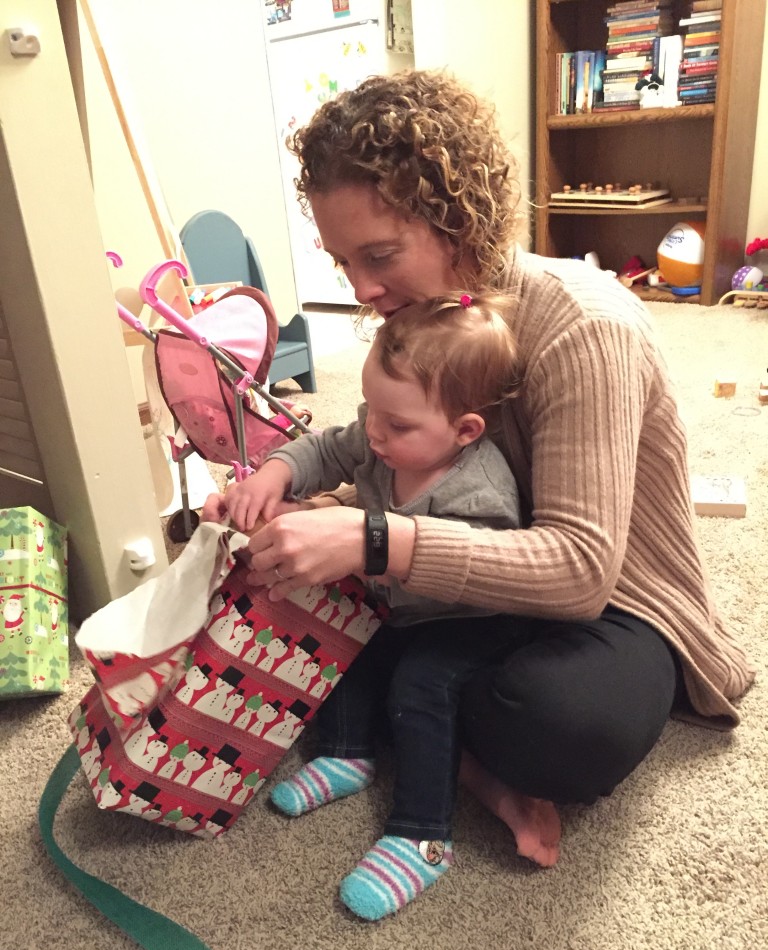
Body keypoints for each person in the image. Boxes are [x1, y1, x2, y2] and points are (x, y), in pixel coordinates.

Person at [203, 68, 752, 886]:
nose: (361, 290)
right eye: (342, 259)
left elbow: (578, 570)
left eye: (380, 255)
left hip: (610, 600)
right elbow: (380, 451)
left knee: (562, 727)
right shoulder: (415, 325)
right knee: (306, 596)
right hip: (471, 591)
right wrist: (290, 489)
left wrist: (371, 537)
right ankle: (437, 728)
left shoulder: (582, 326)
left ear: (459, 220)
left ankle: (446, 743)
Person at [221, 291, 525, 920]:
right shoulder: (381, 437)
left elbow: (478, 574)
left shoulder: (479, 489)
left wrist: (366, 554)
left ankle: (423, 835)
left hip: (471, 621)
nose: (376, 434)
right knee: (347, 641)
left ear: (465, 429)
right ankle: (347, 752)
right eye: (371, 412)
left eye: (399, 425)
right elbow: (327, 447)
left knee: (420, 684)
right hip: (400, 605)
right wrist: (275, 475)